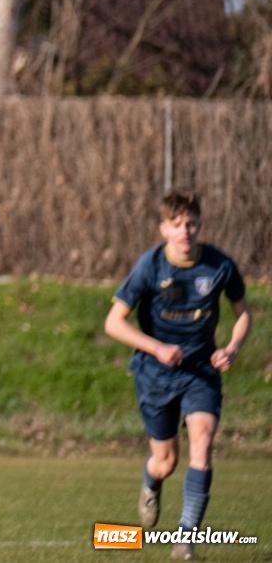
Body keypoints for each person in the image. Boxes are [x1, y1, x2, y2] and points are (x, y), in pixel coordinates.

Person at [104, 190, 252, 561]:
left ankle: (185, 540)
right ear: (164, 229)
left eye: (191, 224)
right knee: (166, 462)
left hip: (200, 370)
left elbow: (243, 313)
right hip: (155, 374)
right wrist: (156, 348)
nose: (185, 231)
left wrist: (232, 347)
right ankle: (151, 481)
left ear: (200, 226)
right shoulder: (150, 266)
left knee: (202, 443)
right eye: (177, 224)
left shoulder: (219, 265)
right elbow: (113, 323)